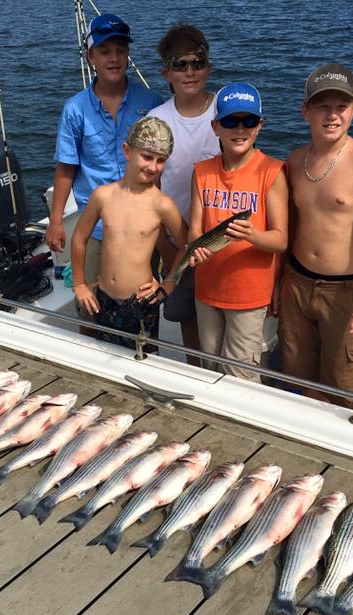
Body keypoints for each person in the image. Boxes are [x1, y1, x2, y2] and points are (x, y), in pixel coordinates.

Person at [278, 63, 353, 409]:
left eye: (341, 106)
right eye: (322, 106)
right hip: (296, 283)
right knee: (298, 376)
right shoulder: (295, 161)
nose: (332, 115)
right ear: (305, 111)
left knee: (346, 381)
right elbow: (289, 228)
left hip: (345, 291)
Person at [45, 13, 163, 319]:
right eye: (105, 51)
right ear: (90, 56)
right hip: (95, 227)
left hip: (142, 226)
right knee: (91, 307)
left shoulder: (151, 102)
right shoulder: (75, 109)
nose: (114, 58)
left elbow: (162, 166)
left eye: (121, 50)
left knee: (143, 305)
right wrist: (56, 220)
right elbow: (66, 169)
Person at [186, 82, 288, 382]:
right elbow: (194, 231)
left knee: (240, 376)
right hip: (206, 291)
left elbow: (280, 239)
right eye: (230, 121)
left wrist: (251, 235)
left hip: (249, 296)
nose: (240, 129)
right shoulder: (201, 171)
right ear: (216, 127)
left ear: (260, 125)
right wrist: (195, 250)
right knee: (209, 367)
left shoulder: (272, 172)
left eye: (249, 121)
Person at [70, 117, 187, 350]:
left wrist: (169, 284)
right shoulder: (103, 196)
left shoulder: (162, 205)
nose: (153, 167)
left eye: (161, 160)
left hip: (142, 302)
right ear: (127, 151)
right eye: (146, 156)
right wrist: (79, 284)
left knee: (142, 360)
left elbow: (187, 245)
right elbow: (79, 238)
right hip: (102, 298)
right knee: (103, 356)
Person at [147, 24, 221, 364]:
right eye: (180, 65)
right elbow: (152, 190)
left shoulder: (229, 112)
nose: (189, 71)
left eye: (197, 62)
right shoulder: (156, 120)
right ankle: (197, 375)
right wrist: (165, 245)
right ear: (166, 73)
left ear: (208, 67)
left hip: (223, 239)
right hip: (177, 243)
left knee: (224, 319)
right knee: (187, 316)